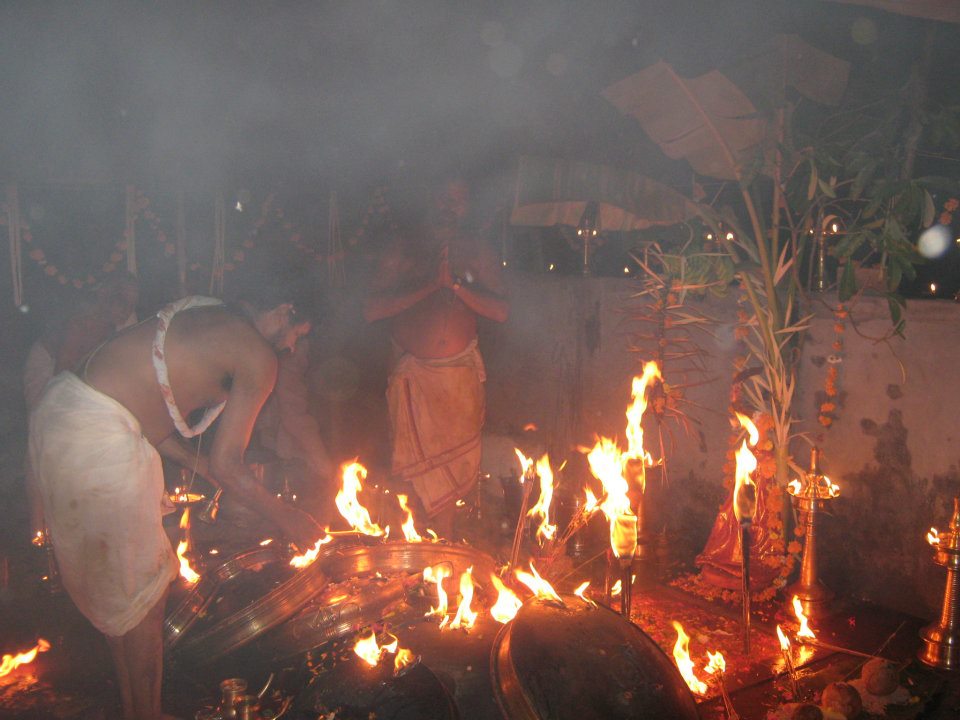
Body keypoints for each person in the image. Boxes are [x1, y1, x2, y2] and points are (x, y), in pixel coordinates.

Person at [28, 287, 323, 720]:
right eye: (298, 332)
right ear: (283, 309)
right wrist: (289, 518)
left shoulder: (207, 312)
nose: (293, 345)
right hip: (95, 432)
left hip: (62, 411)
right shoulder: (258, 355)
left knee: (125, 594)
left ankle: (138, 712)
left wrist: (198, 466)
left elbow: (149, 412)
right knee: (145, 595)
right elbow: (228, 465)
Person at [365, 178, 509, 538]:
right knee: (411, 473)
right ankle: (407, 546)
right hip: (412, 374)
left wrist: (456, 286)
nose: (449, 206)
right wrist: (430, 285)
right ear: (427, 199)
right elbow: (371, 310)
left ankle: (441, 553)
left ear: (467, 206)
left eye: (458, 200)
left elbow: (501, 312)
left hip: (458, 375)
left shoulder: (478, 251)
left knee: (453, 476)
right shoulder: (403, 250)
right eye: (443, 197)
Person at [23, 272, 140, 541]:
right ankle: (38, 528)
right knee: (42, 437)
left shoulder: (122, 322)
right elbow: (62, 372)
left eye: (133, 303)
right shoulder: (85, 321)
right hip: (49, 370)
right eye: (125, 304)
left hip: (75, 375)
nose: (129, 311)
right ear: (110, 301)